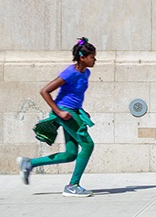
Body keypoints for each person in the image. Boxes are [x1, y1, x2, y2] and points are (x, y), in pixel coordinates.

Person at [17, 37, 98, 196]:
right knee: (88, 145)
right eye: (92, 57)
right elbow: (45, 91)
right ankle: (72, 185)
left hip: (73, 111)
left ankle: (29, 163)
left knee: (70, 154)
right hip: (64, 111)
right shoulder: (70, 72)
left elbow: (74, 94)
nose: (95, 60)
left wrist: (81, 109)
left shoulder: (85, 72)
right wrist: (59, 112)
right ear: (82, 58)